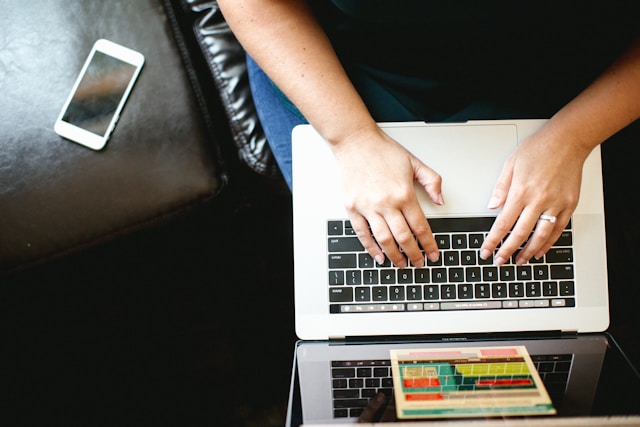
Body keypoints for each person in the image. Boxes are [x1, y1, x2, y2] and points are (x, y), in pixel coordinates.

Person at [218, 0, 640, 268]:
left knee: (531, 283)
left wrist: (574, 138)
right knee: (377, 284)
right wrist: (351, 137)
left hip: (558, 71)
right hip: (333, 61)